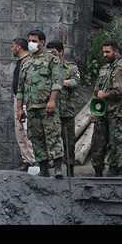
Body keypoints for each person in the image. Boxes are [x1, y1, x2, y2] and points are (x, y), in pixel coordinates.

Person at [16, 30, 64, 177]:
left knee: (53, 136)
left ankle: (57, 169)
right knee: (35, 137)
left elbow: (57, 82)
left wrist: (52, 100)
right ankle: (43, 169)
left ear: (42, 42)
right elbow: (20, 89)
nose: (31, 43)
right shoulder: (26, 63)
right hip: (31, 107)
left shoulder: (51, 59)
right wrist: (19, 109)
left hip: (47, 106)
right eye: (29, 40)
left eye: (35, 40)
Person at [91, 40, 122, 177]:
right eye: (103, 52)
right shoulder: (106, 68)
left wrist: (105, 94)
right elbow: (97, 90)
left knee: (118, 141)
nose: (104, 54)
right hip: (104, 111)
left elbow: (119, 91)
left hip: (118, 111)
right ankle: (105, 169)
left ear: (116, 52)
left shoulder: (120, 67)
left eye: (107, 52)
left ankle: (121, 170)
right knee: (100, 141)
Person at [47, 40, 80, 177]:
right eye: (49, 53)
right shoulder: (46, 67)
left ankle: (70, 169)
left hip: (67, 110)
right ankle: (57, 169)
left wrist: (61, 82)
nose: (51, 56)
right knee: (54, 140)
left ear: (61, 52)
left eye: (54, 53)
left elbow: (75, 81)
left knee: (69, 142)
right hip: (52, 111)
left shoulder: (70, 67)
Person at [10, 38, 35, 171]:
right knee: (19, 130)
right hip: (18, 98)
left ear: (19, 47)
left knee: (26, 130)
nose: (11, 49)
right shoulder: (20, 62)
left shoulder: (28, 62)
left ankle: (32, 160)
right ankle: (26, 160)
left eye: (13, 46)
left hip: (25, 100)